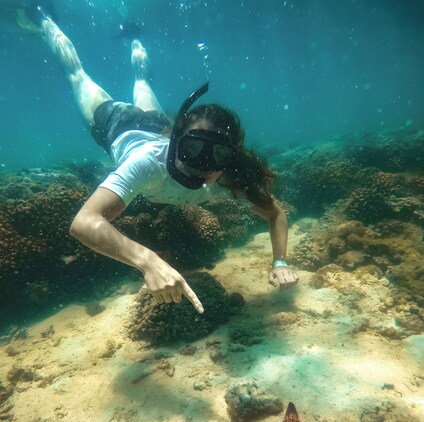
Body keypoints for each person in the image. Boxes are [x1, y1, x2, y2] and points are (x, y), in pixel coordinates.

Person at [28, 5, 299, 314]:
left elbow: (275, 214)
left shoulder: (229, 176)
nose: (204, 165)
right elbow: (84, 222)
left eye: (219, 154)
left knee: (143, 82)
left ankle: (134, 37)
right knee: (78, 76)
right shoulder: (150, 164)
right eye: (193, 150)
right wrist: (147, 261)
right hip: (115, 123)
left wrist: (280, 261)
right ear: (178, 141)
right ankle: (46, 20)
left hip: (155, 122)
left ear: (231, 157)